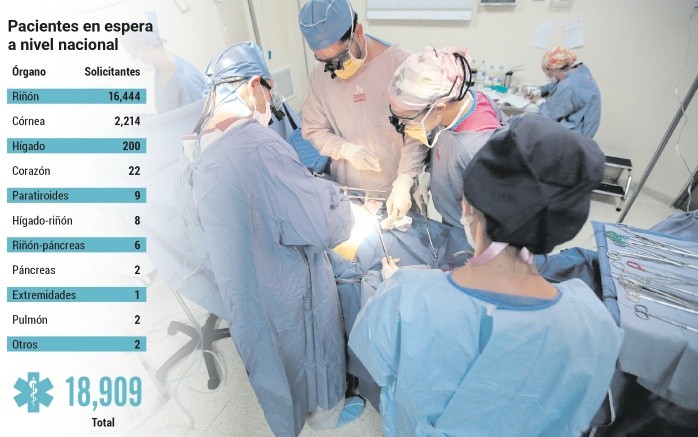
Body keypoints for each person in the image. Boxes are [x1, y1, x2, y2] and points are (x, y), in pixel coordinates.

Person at [349, 114, 623, 436]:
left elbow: (377, 364)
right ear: (564, 226)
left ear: (466, 205)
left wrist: (398, 286)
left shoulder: (404, 296)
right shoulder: (595, 325)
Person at [179, 41, 364, 436]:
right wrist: (337, 199)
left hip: (243, 292)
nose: (270, 103)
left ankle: (291, 420)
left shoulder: (195, 148)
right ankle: (327, 416)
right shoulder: (256, 145)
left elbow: (204, 238)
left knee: (272, 361)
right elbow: (322, 225)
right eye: (269, 90)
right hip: (288, 286)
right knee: (309, 348)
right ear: (252, 86)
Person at [298, 0, 428, 220]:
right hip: (348, 194)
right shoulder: (320, 76)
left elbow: (417, 130)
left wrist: (404, 180)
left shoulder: (401, 64)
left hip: (395, 193)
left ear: (358, 31)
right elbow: (313, 128)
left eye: (340, 58)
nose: (336, 68)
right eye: (326, 62)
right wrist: (345, 149)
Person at [387, 47, 508, 228]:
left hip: (472, 230)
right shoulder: (457, 105)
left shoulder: (475, 147)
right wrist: (428, 179)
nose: (404, 127)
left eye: (408, 120)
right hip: (454, 215)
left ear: (439, 108)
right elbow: (445, 152)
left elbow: (497, 214)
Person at [124, 12, 206, 114]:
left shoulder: (187, 81)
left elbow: (200, 121)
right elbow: (169, 115)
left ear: (143, 47)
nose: (135, 59)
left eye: (133, 55)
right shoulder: (159, 73)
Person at [528, 46, 601, 138]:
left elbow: (549, 113)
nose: (547, 74)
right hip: (586, 126)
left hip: (575, 136)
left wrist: (538, 101)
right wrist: (540, 89)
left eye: (547, 71)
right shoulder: (580, 70)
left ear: (552, 69)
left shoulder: (569, 86)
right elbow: (558, 82)